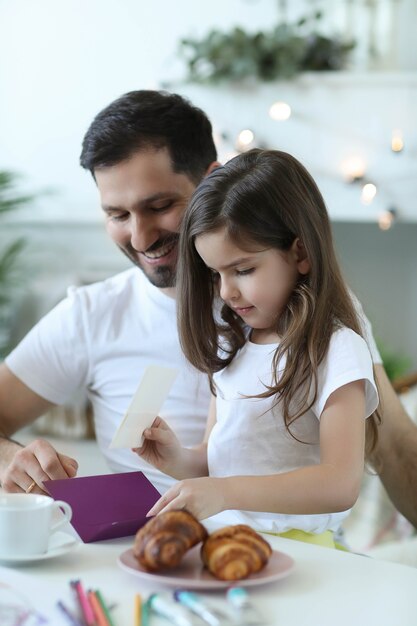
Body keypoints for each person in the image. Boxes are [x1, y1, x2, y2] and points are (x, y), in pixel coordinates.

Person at [0, 92, 416, 537]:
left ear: (210, 182)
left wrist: (222, 490)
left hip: (288, 551)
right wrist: (14, 460)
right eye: (117, 214)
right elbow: (214, 456)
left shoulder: (320, 320)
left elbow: (387, 450)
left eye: (159, 206)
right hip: (153, 554)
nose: (140, 237)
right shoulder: (93, 316)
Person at [136, 149, 380, 545]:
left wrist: (226, 492)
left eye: (243, 270)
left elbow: (340, 482)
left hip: (299, 550)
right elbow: (219, 461)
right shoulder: (234, 350)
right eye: (216, 274)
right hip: (224, 540)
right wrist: (178, 459)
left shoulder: (336, 350)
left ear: (300, 253)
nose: (227, 291)